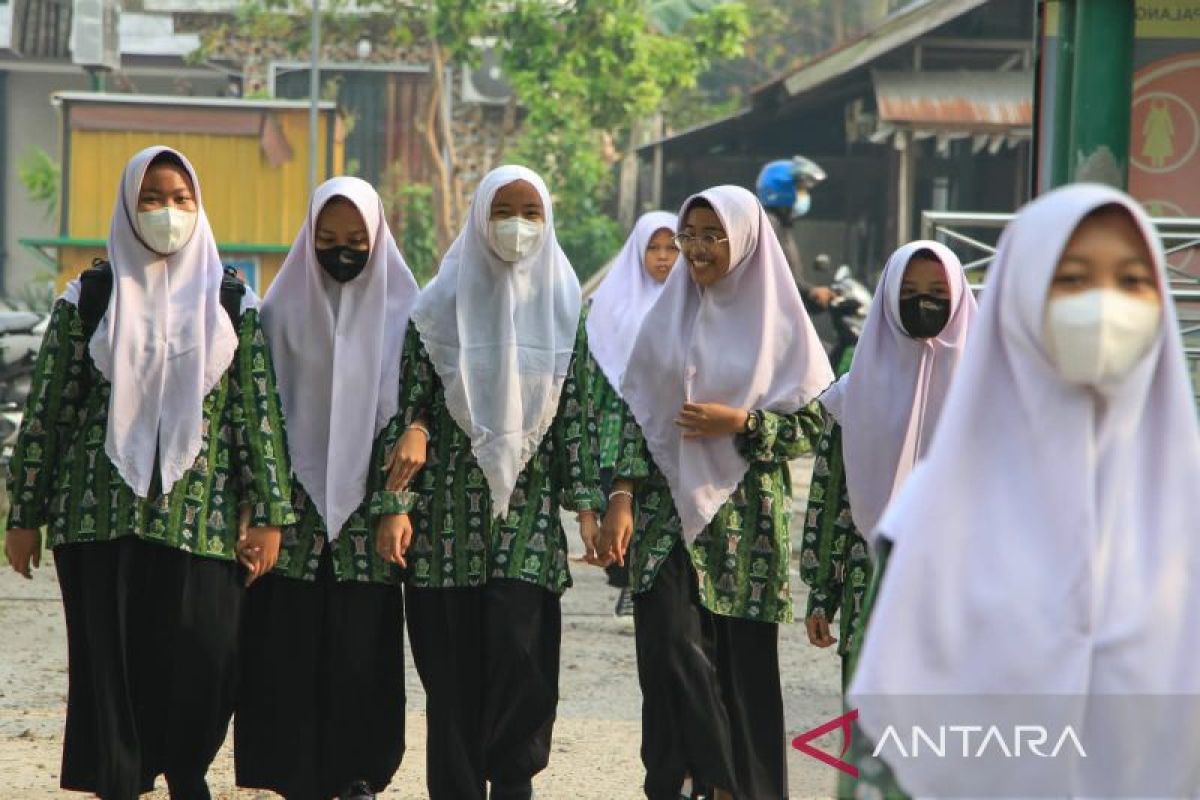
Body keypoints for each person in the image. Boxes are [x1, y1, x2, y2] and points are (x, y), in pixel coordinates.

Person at [848, 184, 1200, 798]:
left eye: (1131, 281)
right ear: (1019, 299)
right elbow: (890, 749)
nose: (1104, 305)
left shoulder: (1188, 510)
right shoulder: (936, 519)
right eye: (1071, 279)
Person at [3, 145, 295, 800]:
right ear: (128, 209)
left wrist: (271, 514)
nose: (167, 213)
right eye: (152, 200)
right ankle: (121, 784)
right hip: (99, 521)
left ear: (200, 207)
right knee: (112, 680)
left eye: (180, 199)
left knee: (207, 665)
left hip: (204, 524)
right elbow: (50, 411)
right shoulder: (90, 297)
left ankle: (186, 773)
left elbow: (256, 417)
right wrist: (24, 516)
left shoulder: (232, 301)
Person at [600, 185, 833, 800]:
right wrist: (620, 494)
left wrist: (743, 423)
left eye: (713, 235)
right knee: (670, 648)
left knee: (741, 666)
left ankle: (738, 786)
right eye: (690, 235)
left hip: (745, 523)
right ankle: (703, 779)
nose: (698, 249)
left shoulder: (782, 324)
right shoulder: (668, 312)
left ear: (747, 240)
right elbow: (635, 410)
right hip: (662, 514)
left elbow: (812, 425)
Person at [397, 165, 604, 800]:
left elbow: (579, 415)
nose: (516, 226)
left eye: (530, 212)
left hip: (529, 529)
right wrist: (395, 499)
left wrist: (591, 505)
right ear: (480, 217)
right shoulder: (435, 309)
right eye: (504, 211)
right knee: (451, 680)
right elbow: (407, 406)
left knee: (524, 664)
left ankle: (515, 784)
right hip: (443, 531)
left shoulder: (569, 310)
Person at [234, 177, 422, 800]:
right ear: (308, 238)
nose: (342, 252)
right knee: (286, 640)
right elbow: (260, 413)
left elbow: (410, 412)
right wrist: (266, 507)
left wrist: (394, 505)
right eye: (328, 239)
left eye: (355, 240)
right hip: (290, 516)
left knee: (358, 644)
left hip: (370, 517)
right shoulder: (278, 312)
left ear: (377, 238)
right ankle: (289, 774)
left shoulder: (406, 313)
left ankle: (358, 773)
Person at [800, 240, 976, 690]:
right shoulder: (853, 395)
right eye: (908, 291)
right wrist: (822, 593)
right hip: (869, 590)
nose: (924, 302)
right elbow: (830, 495)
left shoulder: (990, 395)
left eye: (938, 290)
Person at [586, 210, 678, 616]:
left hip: (667, 431)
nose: (662, 257)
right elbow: (591, 377)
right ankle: (625, 580)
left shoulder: (693, 308)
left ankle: (646, 586)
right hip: (614, 430)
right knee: (619, 507)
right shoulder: (610, 306)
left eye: (671, 248)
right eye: (653, 248)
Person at [755, 156, 835, 308]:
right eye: (800, 189)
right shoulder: (769, 224)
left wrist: (809, 292)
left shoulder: (781, 225)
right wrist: (810, 290)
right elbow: (775, 274)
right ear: (782, 189)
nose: (804, 195)